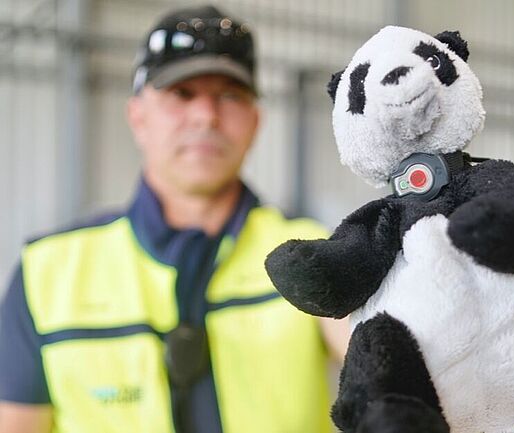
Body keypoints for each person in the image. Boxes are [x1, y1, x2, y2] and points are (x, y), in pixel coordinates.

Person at [0, 5, 348, 433]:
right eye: (182, 94)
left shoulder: (312, 255)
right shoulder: (47, 272)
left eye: (230, 95)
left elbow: (392, 354)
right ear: (137, 117)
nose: (206, 116)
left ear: (255, 122)